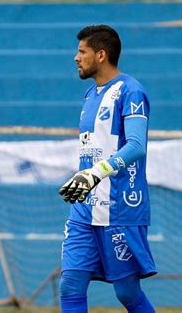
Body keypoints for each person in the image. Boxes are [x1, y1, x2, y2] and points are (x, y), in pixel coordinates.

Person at [58, 25, 157, 312]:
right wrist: (84, 175)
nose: (76, 58)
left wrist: (96, 172)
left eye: (82, 51)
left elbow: (136, 145)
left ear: (101, 55)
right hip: (84, 208)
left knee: (127, 292)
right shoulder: (90, 95)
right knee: (70, 285)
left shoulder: (131, 91)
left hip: (121, 207)